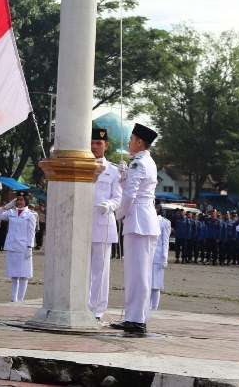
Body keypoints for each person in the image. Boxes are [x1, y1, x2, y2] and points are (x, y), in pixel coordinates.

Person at [110, 123, 159, 334]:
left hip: (138, 219)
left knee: (137, 273)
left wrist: (119, 213)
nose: (129, 142)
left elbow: (131, 195)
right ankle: (134, 317)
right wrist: (122, 177)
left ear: (140, 142)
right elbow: (133, 189)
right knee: (138, 272)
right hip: (144, 219)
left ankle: (137, 319)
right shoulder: (145, 162)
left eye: (131, 139)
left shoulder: (138, 163)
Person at [88, 127, 121, 321]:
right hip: (83, 223)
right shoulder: (82, 166)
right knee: (81, 269)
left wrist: (108, 205)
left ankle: (98, 310)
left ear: (106, 145)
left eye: (98, 143)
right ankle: (81, 306)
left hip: (102, 222)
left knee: (101, 270)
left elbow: (118, 198)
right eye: (92, 143)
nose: (94, 147)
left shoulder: (114, 171)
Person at [0, 193, 37, 302]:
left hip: (23, 246)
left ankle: (20, 299)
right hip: (12, 245)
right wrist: (9, 205)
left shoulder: (31, 214)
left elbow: (31, 232)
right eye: (17, 200)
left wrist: (29, 247)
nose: (19, 202)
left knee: (24, 274)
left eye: (21, 200)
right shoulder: (11, 212)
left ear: (26, 201)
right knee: (14, 274)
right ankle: (14, 299)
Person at [150, 207, 171, 310]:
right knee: (146, 284)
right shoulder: (147, 218)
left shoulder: (164, 222)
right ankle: (146, 306)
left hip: (157, 256)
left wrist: (164, 257)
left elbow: (165, 242)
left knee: (155, 285)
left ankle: (154, 307)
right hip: (147, 255)